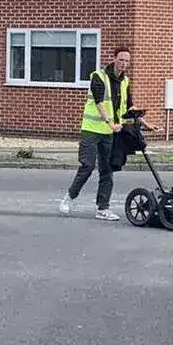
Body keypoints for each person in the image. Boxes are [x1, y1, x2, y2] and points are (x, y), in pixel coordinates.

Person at [59, 45, 131, 220]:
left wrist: (145, 122)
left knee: (107, 170)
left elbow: (129, 106)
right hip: (91, 129)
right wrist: (110, 123)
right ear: (114, 59)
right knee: (88, 166)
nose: (124, 64)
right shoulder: (98, 77)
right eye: (121, 59)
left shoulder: (125, 81)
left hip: (109, 133)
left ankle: (103, 208)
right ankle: (69, 198)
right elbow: (99, 103)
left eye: (127, 61)